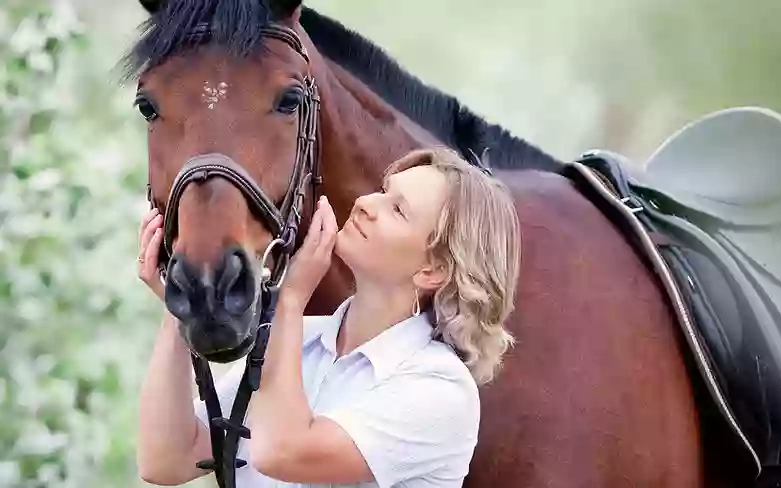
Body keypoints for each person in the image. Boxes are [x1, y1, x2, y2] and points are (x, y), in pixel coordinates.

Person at [135, 147, 522, 487]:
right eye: (384, 192)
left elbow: (281, 453)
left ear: (433, 271)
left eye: (397, 210)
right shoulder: (298, 341)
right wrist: (180, 304)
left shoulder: (440, 392)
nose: (366, 203)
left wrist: (291, 299)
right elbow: (167, 459)